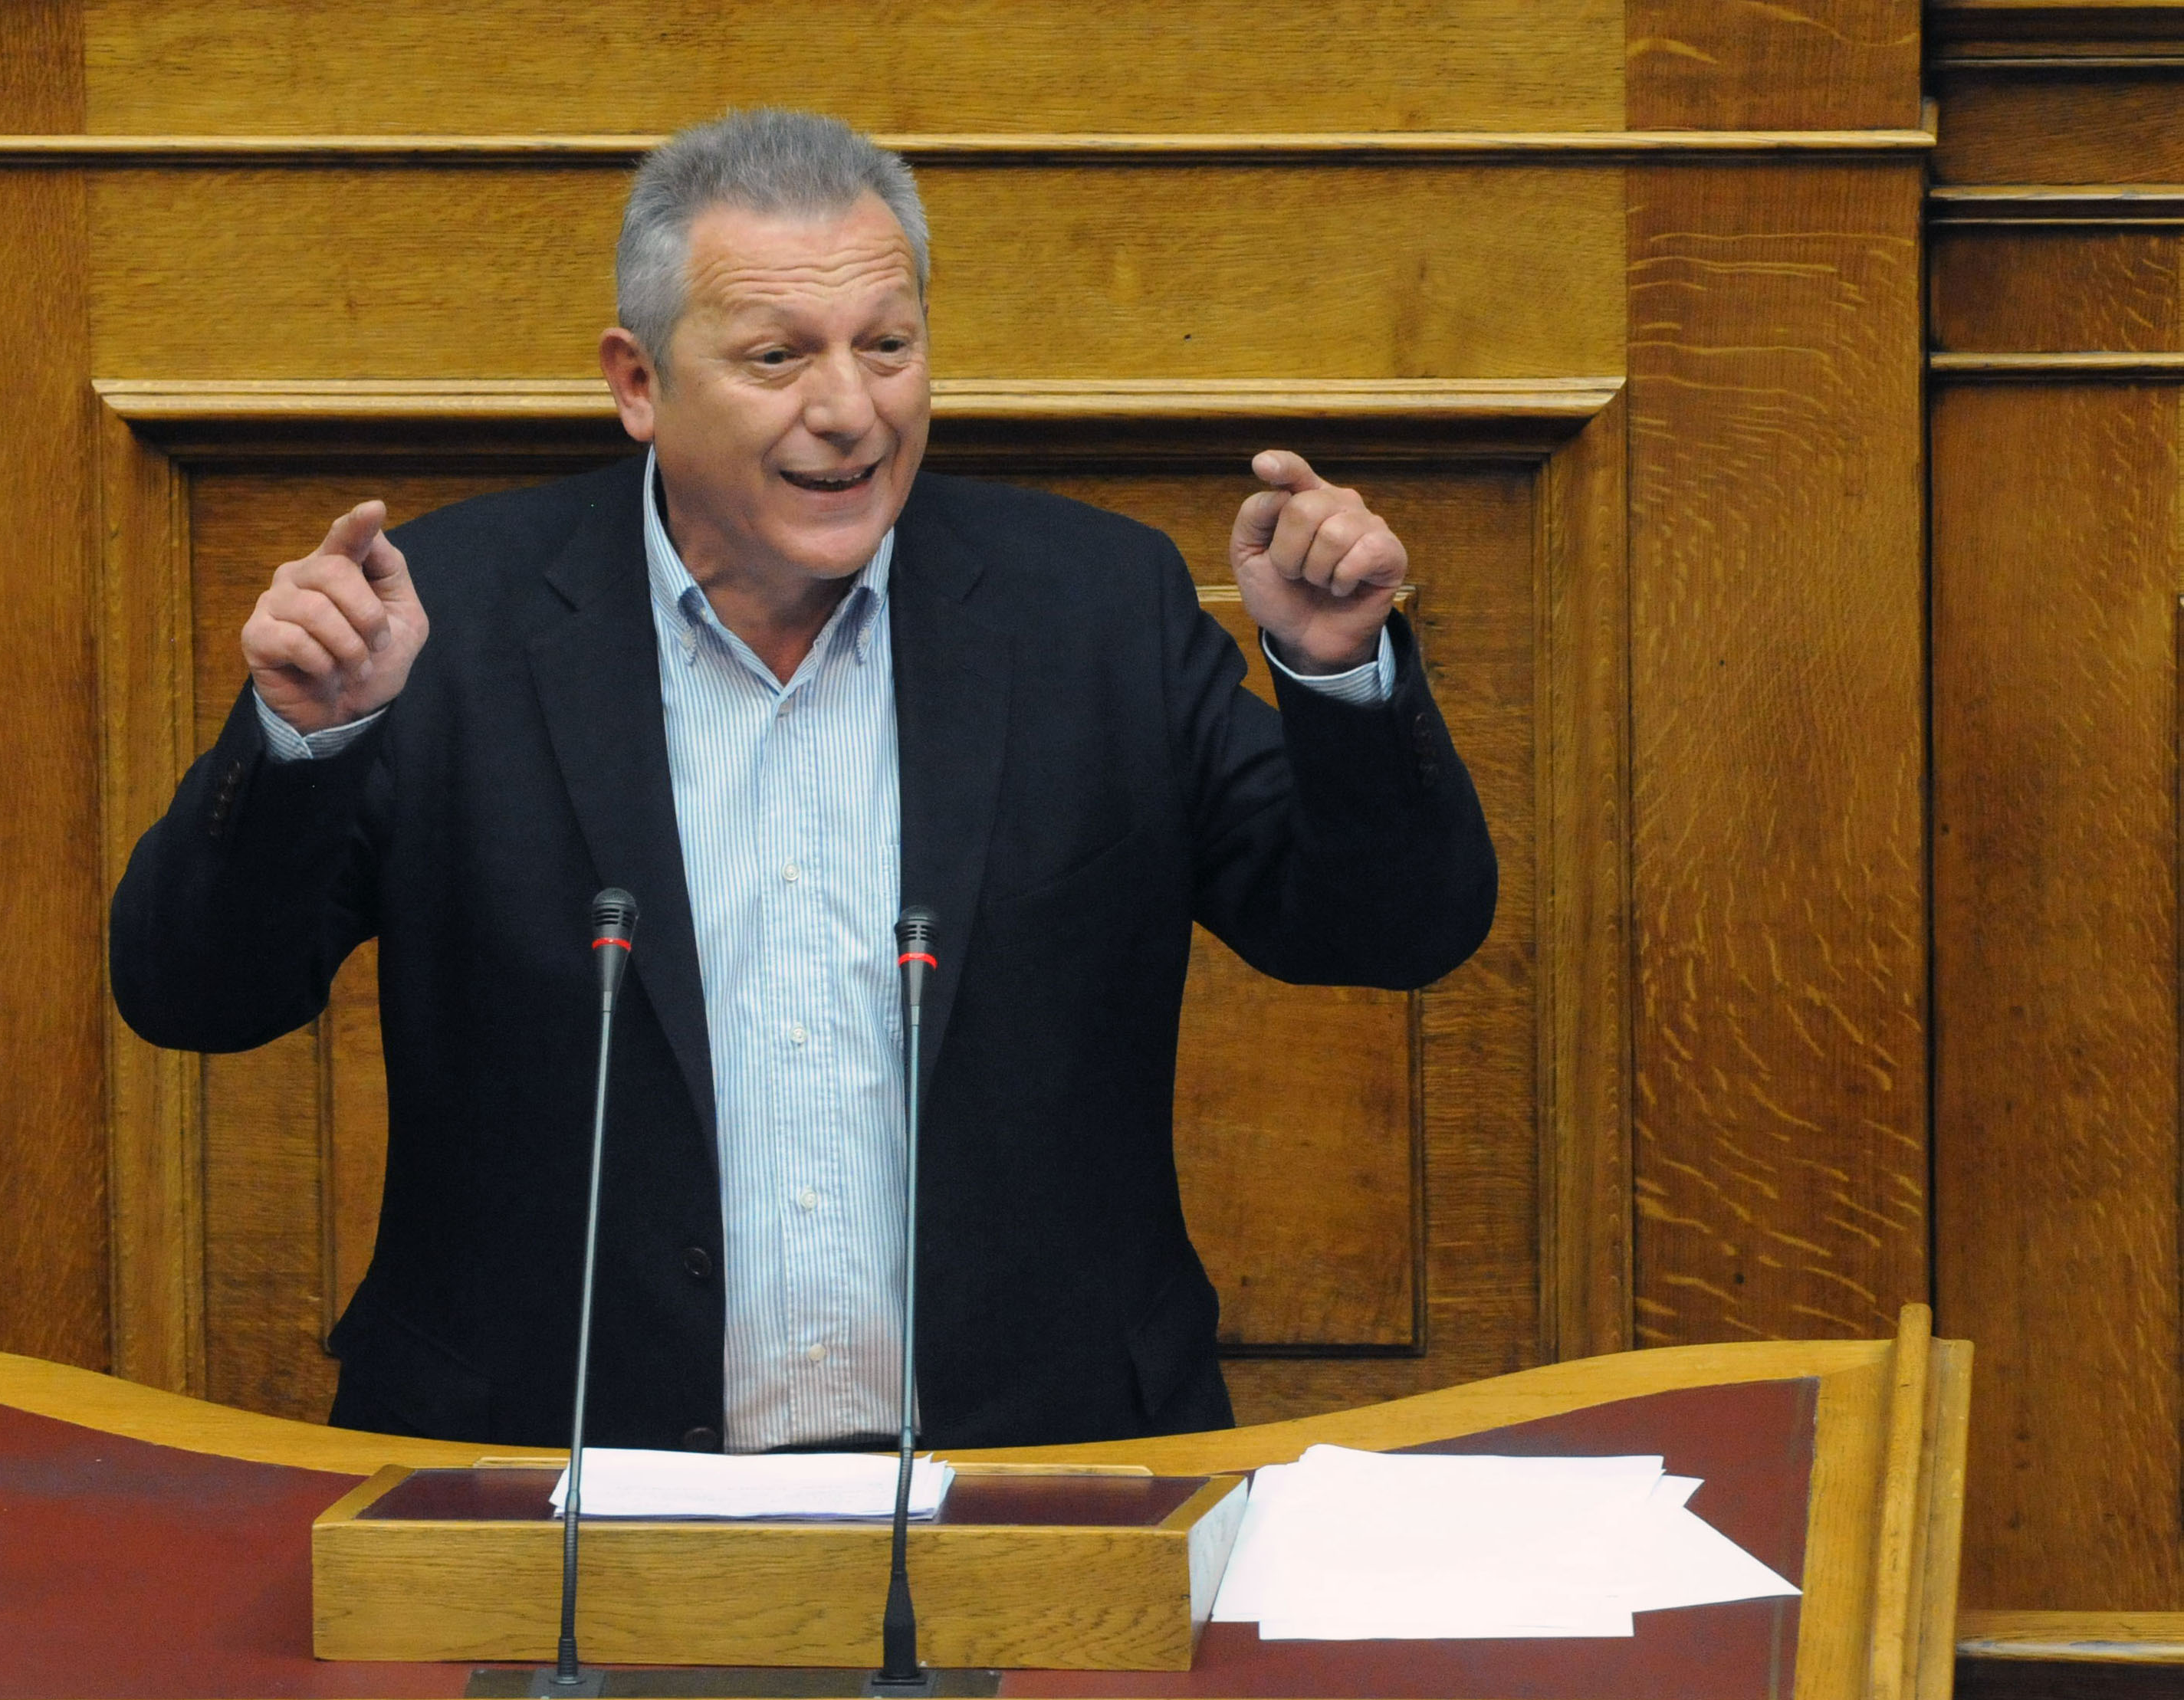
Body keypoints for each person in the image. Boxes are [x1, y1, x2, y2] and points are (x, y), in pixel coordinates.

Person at [110, 110, 1496, 1453]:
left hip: (1029, 1467)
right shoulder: (447, 624)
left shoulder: (1090, 608)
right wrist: (303, 740)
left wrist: (1337, 679)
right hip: (548, 1475)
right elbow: (194, 994)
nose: (848, 411)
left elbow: (1389, 931)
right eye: (777, 356)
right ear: (638, 382)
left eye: (887, 346)